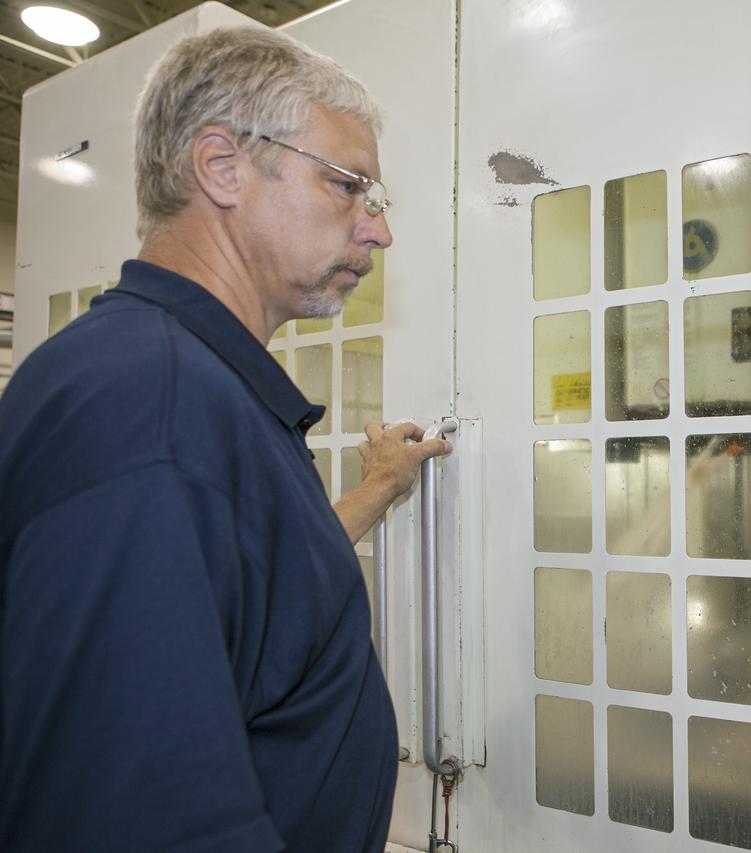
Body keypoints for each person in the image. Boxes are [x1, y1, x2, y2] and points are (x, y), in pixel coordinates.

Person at [0, 26, 448, 852]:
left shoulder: (189, 385)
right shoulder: (150, 405)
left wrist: (379, 488)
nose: (377, 230)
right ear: (221, 167)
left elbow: (242, 584)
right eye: (349, 186)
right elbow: (134, 817)